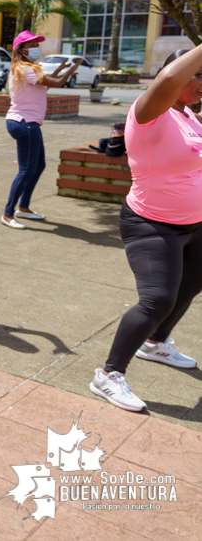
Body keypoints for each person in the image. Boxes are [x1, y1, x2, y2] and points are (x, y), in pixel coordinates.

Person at [90, 47, 202, 412]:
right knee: (158, 298)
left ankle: (156, 342)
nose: (201, 84)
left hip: (194, 223)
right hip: (152, 223)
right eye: (197, 75)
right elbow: (169, 80)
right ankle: (108, 375)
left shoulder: (188, 115)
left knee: (190, 284)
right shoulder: (149, 113)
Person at [1, 30, 80, 229]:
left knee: (39, 165)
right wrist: (72, 69)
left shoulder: (27, 68)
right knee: (26, 170)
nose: (36, 48)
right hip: (24, 123)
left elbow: (45, 85)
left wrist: (62, 67)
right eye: (32, 45)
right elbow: (58, 82)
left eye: (37, 44)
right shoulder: (26, 69)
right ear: (21, 49)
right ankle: (8, 214)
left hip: (27, 123)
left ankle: (24, 208)